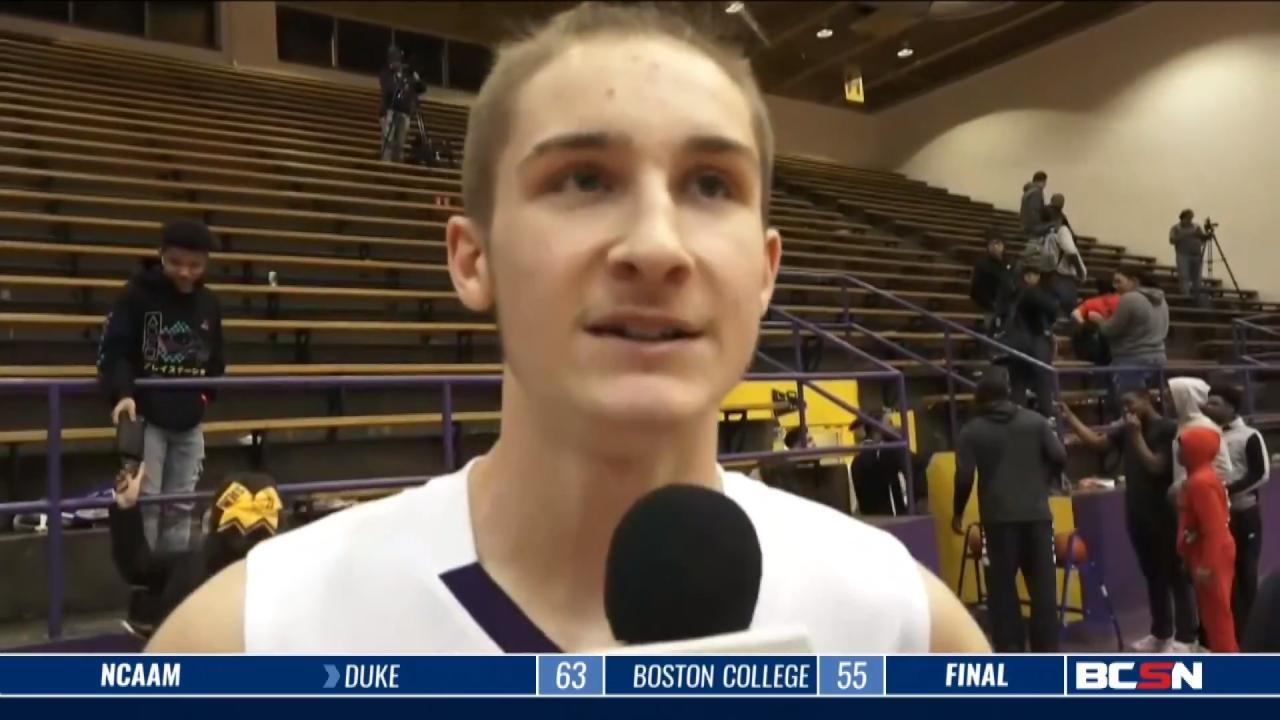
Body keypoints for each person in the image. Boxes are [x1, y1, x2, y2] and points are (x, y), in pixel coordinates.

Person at [150, 3, 989, 654]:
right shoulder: (252, 641)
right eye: (585, 179)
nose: (656, 246)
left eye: (710, 185)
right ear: (472, 258)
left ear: (766, 269)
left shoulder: (905, 633)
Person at [98, 218, 225, 554]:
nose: (185, 272)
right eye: (176, 262)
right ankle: (145, 575)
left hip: (189, 419)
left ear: (206, 263)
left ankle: (175, 577)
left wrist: (204, 395)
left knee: (181, 505)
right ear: (161, 255)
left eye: (194, 265)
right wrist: (123, 394)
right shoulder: (135, 295)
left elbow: (216, 356)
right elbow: (116, 350)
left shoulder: (209, 303)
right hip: (146, 418)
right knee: (145, 503)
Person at [1058, 392, 1198, 652]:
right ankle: (1161, 633)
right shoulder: (1127, 429)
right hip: (1137, 513)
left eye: (1131, 403)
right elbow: (1099, 443)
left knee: (1176, 578)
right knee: (1152, 577)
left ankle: (1186, 637)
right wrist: (1070, 418)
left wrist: (1136, 436)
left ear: (1147, 400)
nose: (1127, 410)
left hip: (1165, 515)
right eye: (1123, 405)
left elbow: (1156, 466)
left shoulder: (1167, 429)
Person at [952, 366, 1066, 652]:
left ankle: (1011, 653)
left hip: (997, 521)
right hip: (1039, 518)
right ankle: (1047, 655)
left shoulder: (972, 431)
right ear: (1008, 392)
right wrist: (1043, 481)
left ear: (980, 395)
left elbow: (964, 476)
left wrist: (957, 512)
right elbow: (1059, 456)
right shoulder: (1036, 421)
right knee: (1043, 590)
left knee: (1001, 591)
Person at [110, 464, 282, 638]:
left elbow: (138, 566)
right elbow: (140, 566)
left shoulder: (188, 569)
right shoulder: (289, 584)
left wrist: (126, 506)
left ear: (213, 518)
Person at [1202, 384, 1270, 642]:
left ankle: (1253, 634)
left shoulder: (1249, 435)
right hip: (1216, 517)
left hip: (1243, 514)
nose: (1208, 407)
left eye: (1215, 403)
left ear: (1231, 408)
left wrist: (1226, 491)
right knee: (1222, 579)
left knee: (1246, 573)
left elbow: (1260, 473)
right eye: (1208, 402)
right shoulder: (1207, 434)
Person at [1175, 426, 1238, 652]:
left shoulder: (1200, 482)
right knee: (1213, 618)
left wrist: (1208, 566)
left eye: (1182, 448)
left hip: (1212, 555)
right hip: (1205, 552)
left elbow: (1214, 529)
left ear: (1195, 451)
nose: (1178, 453)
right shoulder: (1198, 478)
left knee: (1218, 619)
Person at [994, 258, 1059, 415]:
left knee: (1018, 383)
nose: (1037, 278)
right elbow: (1052, 308)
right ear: (1027, 276)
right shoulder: (1030, 292)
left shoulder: (1012, 293)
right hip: (1033, 344)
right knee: (1042, 382)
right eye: (1034, 275)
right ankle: (1047, 415)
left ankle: (1017, 417)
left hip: (1015, 345)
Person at [1095, 267, 1168, 399]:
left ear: (1134, 281)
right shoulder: (1162, 300)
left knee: (1129, 403)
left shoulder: (1130, 298)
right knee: (1148, 403)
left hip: (1132, 358)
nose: (1114, 286)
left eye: (1118, 282)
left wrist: (1099, 320)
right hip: (1158, 357)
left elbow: (1110, 330)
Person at [850, 412, 908, 516]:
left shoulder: (857, 459)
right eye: (890, 423)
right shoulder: (881, 453)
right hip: (890, 516)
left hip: (872, 517)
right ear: (878, 429)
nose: (896, 427)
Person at [379, 46, 425, 163]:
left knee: (400, 143)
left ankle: (398, 165)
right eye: (391, 60)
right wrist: (404, 87)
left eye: (396, 60)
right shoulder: (386, 73)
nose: (393, 63)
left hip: (404, 112)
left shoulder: (408, 75)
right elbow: (390, 89)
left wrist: (416, 79)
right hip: (390, 111)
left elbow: (421, 88)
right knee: (388, 141)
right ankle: (386, 164)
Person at [1042, 196, 1087, 316]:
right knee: (1066, 311)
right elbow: (1071, 251)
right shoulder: (1062, 228)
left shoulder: (1046, 228)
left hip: (1050, 273)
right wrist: (1080, 272)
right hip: (1063, 275)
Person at [969, 234, 1011, 334]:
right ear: (988, 246)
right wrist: (989, 302)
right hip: (988, 304)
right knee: (989, 330)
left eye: (998, 244)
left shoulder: (1007, 263)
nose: (996, 247)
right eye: (993, 244)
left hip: (1005, 305)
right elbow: (976, 285)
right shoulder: (982, 263)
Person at [1169, 209, 1210, 308]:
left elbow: (1202, 238)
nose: (1189, 220)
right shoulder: (1176, 228)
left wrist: (1207, 235)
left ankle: (1196, 297)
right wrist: (1186, 234)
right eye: (1187, 218)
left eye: (1191, 218)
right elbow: (1172, 240)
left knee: (1197, 278)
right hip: (1183, 255)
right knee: (1184, 276)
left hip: (1196, 255)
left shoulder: (1196, 227)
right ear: (1182, 218)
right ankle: (1186, 297)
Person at [1019, 171, 1050, 236]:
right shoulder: (1036, 193)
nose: (1045, 185)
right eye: (1045, 182)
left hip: (1025, 225)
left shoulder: (1028, 191)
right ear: (1042, 181)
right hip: (1032, 227)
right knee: (1054, 226)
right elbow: (1035, 211)